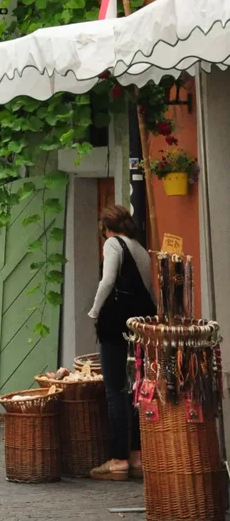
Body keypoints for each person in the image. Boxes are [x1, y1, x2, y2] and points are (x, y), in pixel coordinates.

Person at [88, 203, 156, 481]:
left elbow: (108, 281)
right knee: (136, 389)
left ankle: (118, 459)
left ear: (105, 227)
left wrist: (94, 310)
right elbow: (149, 287)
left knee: (114, 389)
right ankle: (138, 456)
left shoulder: (113, 244)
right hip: (141, 323)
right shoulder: (139, 248)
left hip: (116, 324)